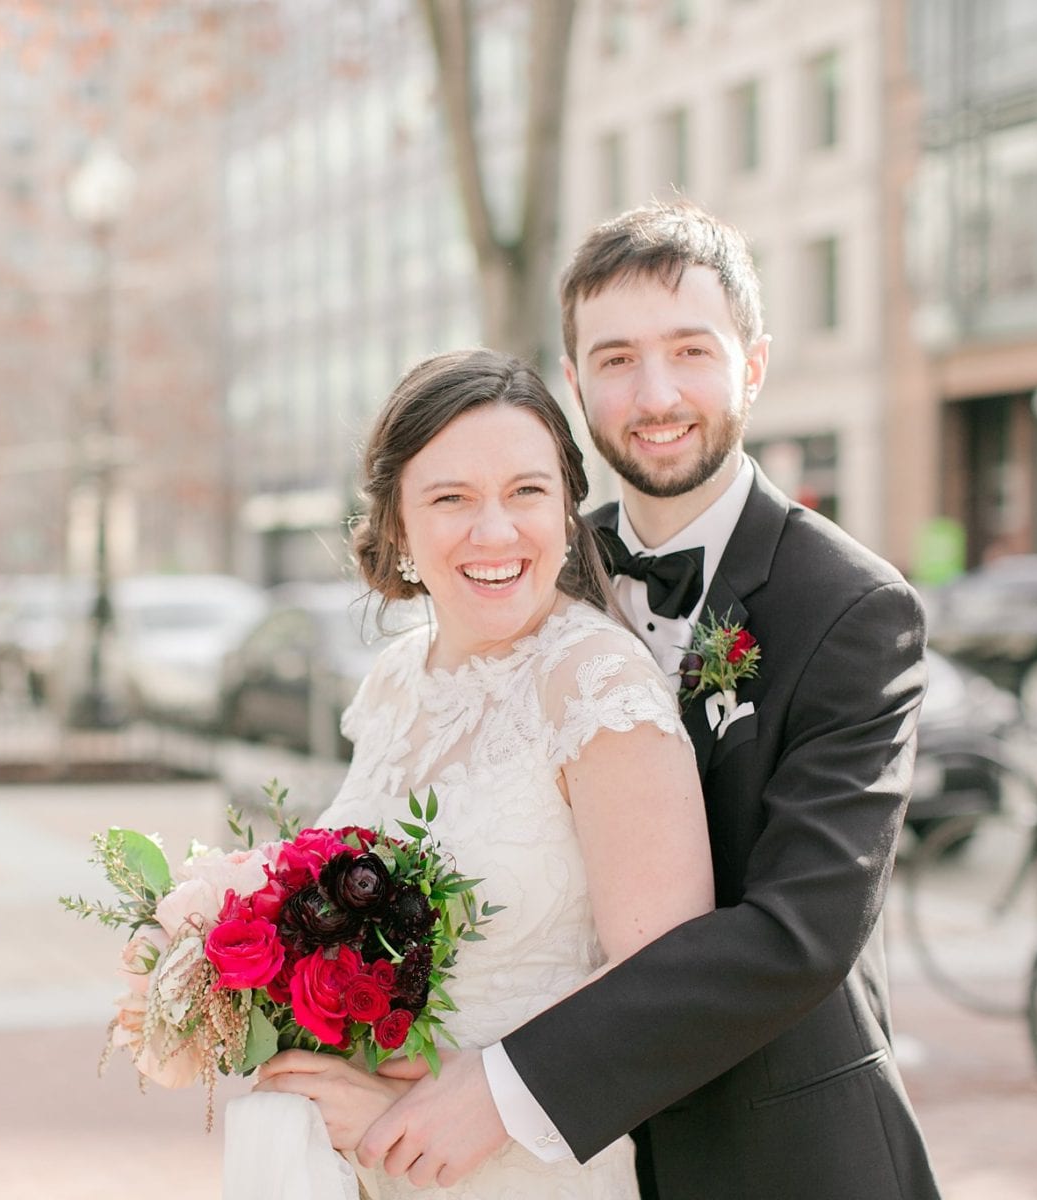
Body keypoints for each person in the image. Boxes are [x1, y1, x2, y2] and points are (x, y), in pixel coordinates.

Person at [353, 200, 942, 1199]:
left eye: (690, 351)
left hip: (774, 1156)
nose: (656, 392)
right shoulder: (530, 555)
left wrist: (504, 1086)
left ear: (752, 364)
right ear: (577, 384)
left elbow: (800, 931)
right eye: (617, 359)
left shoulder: (854, 609)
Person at [251, 347, 715, 1197]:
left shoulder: (597, 685)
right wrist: (211, 979)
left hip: (524, 1172)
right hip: (371, 1168)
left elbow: (669, 984)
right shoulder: (396, 678)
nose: (495, 532)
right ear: (397, 524)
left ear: (569, 508)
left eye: (527, 492)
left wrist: (434, 1111)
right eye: (452, 498)